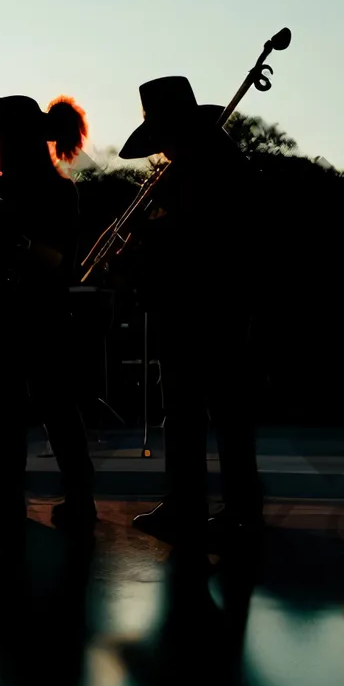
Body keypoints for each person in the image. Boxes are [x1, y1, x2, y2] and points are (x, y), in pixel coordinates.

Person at [116, 77, 261, 554]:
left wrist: (147, 237)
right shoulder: (183, 169)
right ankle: (186, 501)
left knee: (224, 407)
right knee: (180, 409)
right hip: (178, 305)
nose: (161, 151)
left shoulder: (216, 164)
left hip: (215, 303)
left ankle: (239, 509)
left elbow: (207, 237)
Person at [0, 95, 95, 540]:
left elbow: (62, 264)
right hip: (0, 315)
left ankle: (79, 495)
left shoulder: (59, 192)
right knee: (5, 408)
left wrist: (15, 237)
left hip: (44, 315)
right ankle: (5, 495)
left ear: (15, 140)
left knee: (55, 406)